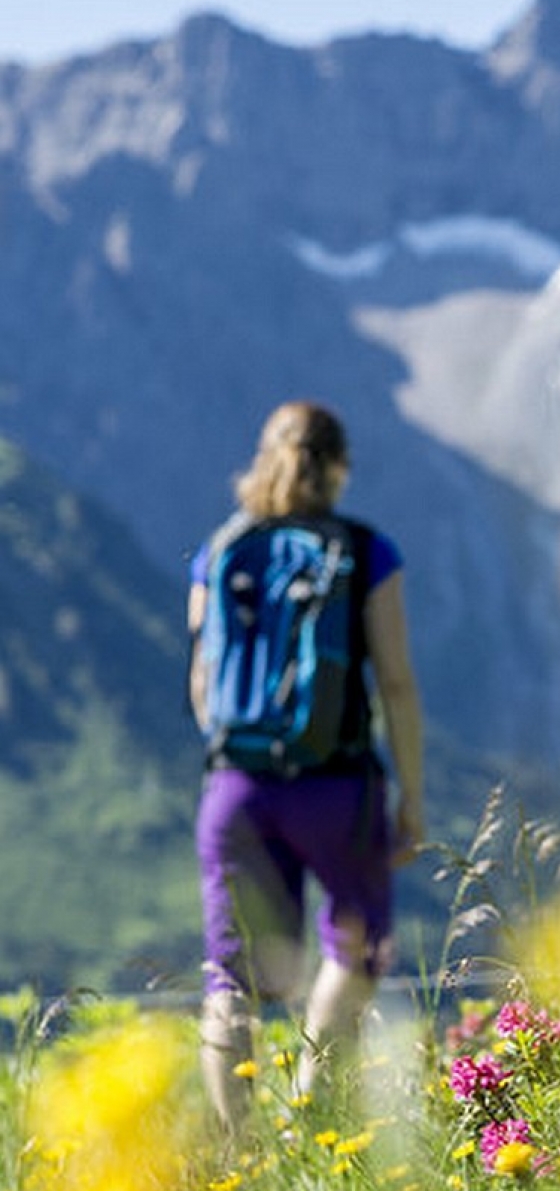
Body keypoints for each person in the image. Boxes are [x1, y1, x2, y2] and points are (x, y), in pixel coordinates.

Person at [188, 400, 425, 1128]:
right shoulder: (363, 552)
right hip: (338, 786)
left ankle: (241, 1153)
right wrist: (411, 794)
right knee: (356, 948)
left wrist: (242, 753)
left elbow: (202, 679)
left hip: (236, 789)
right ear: (340, 469)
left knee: (232, 978)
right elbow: (394, 681)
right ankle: (311, 1108)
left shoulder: (220, 551)